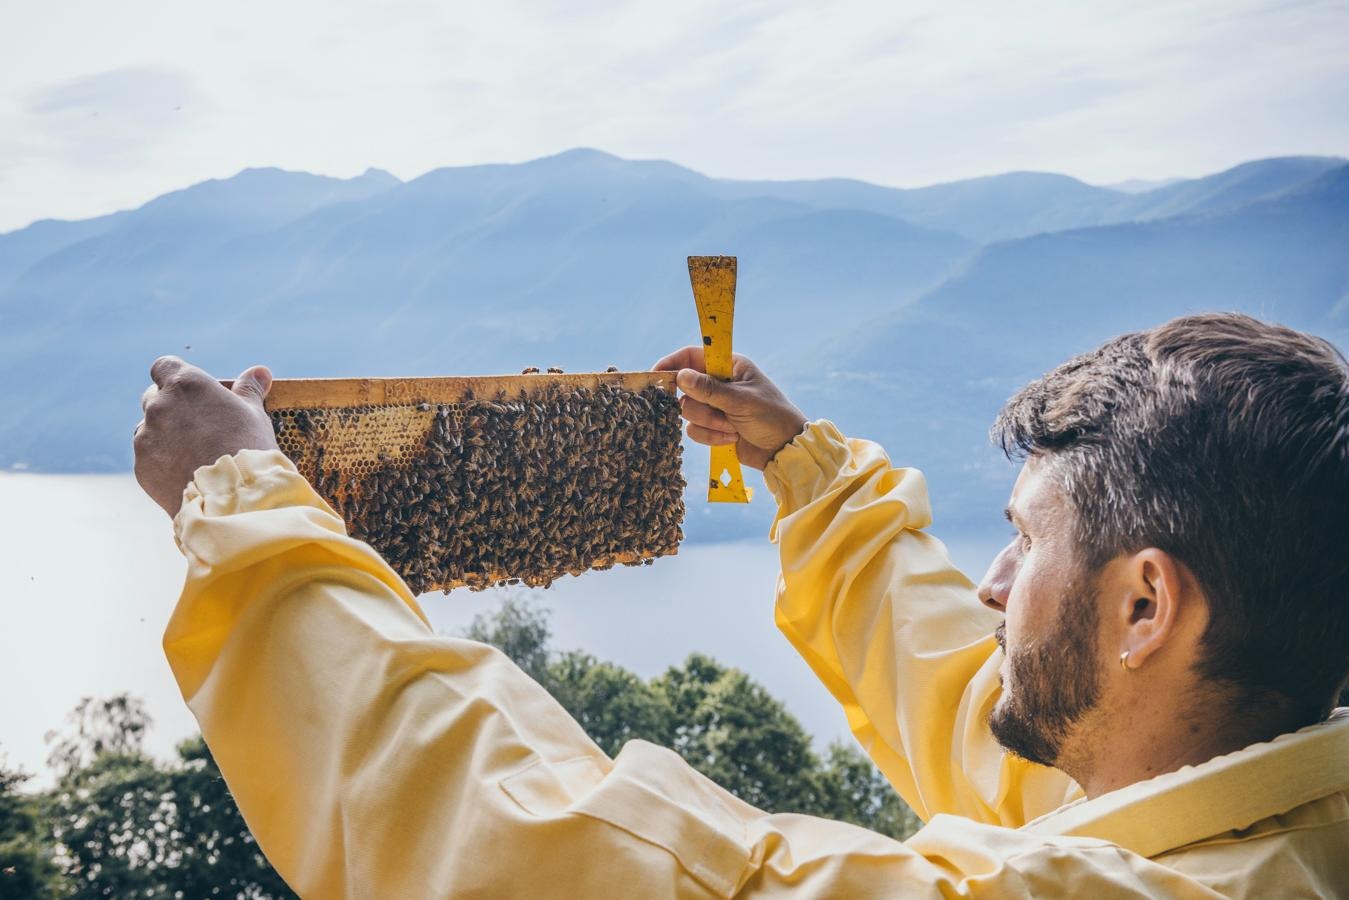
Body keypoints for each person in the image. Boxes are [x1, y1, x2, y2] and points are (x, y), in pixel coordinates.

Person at [134, 312, 1349, 897]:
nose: (991, 586)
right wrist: (808, 476)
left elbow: (549, 856)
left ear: (1143, 609)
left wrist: (242, 504)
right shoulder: (1257, 806)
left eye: (1024, 542)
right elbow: (967, 702)